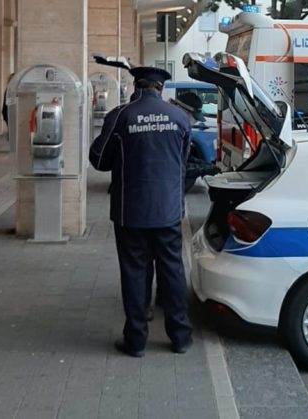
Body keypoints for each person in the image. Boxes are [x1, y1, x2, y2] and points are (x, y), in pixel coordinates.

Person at [89, 67, 193, 357]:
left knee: (135, 272)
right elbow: (181, 163)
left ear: (136, 86)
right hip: (169, 210)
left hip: (130, 211)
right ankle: (181, 337)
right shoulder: (179, 118)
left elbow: (98, 159)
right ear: (161, 88)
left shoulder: (122, 116)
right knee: (172, 270)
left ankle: (136, 341)